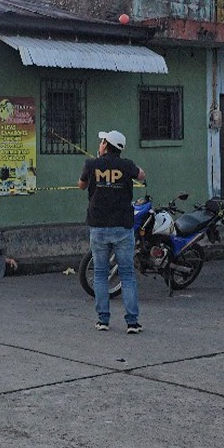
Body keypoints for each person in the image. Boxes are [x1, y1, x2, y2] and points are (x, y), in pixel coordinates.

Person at [78, 130, 146, 334]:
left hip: (98, 226)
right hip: (123, 227)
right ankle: (132, 322)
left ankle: (103, 320)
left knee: (100, 274)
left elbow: (81, 185)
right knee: (127, 275)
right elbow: (141, 175)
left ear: (107, 145)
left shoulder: (92, 164)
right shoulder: (126, 165)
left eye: (102, 141)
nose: (99, 144)